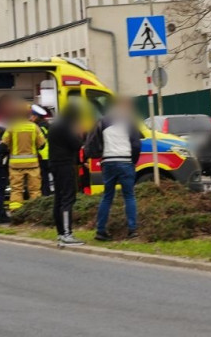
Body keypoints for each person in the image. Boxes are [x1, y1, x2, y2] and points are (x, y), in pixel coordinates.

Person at [86, 96, 142, 241]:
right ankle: (132, 230)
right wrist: (133, 161)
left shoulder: (103, 121)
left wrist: (101, 156)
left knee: (107, 196)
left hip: (108, 162)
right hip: (125, 161)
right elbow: (136, 144)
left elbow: (94, 142)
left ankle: (100, 230)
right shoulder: (130, 122)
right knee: (129, 196)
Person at [49, 104, 85, 246]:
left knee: (58, 198)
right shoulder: (66, 126)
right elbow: (76, 145)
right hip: (65, 164)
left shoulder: (55, 125)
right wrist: (79, 133)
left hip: (55, 164)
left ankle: (60, 233)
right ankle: (67, 234)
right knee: (67, 199)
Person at [1, 101, 46, 204]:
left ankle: (16, 213)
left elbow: (3, 144)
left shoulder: (12, 127)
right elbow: (42, 144)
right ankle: (35, 214)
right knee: (35, 191)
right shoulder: (34, 127)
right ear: (28, 114)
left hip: (16, 165)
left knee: (16, 190)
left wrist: (11, 149)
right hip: (33, 165)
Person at [32, 105, 52, 196]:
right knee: (48, 179)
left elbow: (38, 142)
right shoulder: (48, 125)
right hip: (50, 155)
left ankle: (45, 197)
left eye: (32, 116)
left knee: (43, 179)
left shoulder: (38, 127)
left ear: (36, 116)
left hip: (42, 156)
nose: (31, 118)